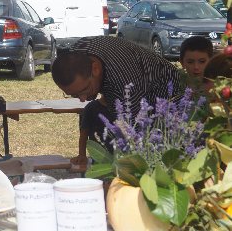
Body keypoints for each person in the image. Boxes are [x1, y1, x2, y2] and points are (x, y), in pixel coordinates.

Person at [51, 36, 187, 167]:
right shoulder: (77, 52)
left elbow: (133, 136)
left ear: (95, 69)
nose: (82, 99)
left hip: (166, 92)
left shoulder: (125, 85)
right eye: (73, 95)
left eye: (84, 90)